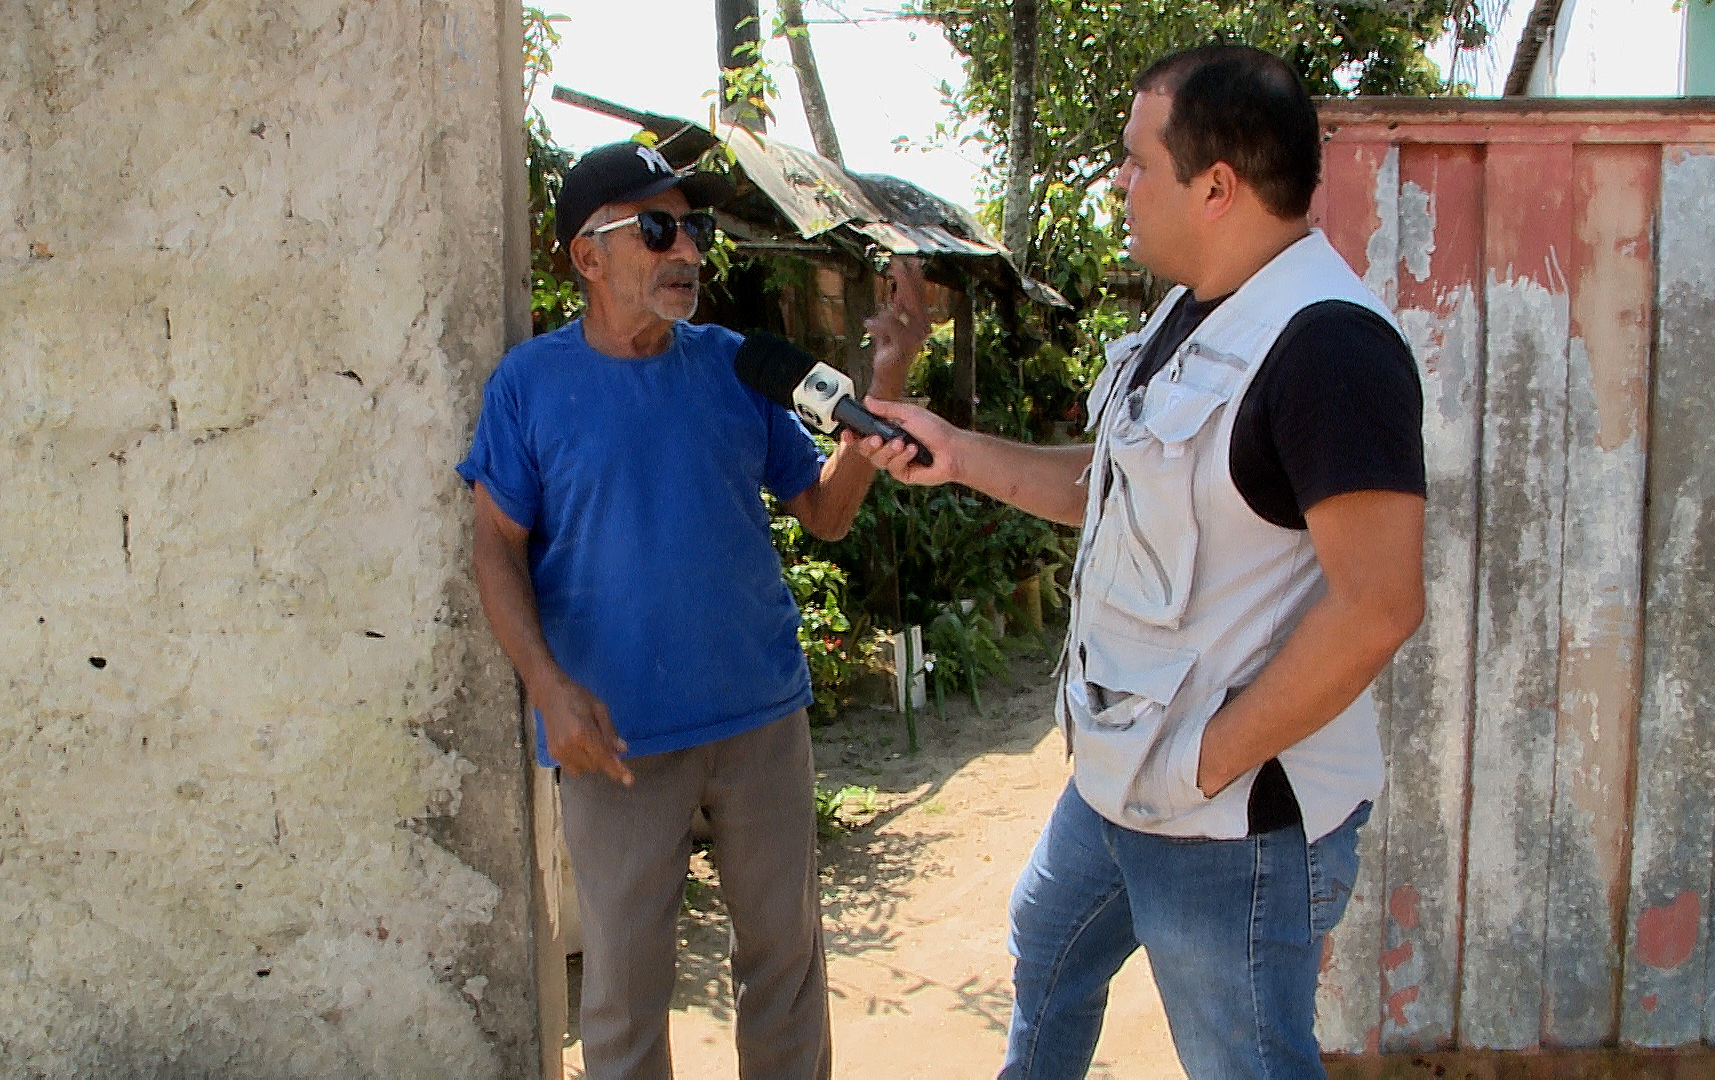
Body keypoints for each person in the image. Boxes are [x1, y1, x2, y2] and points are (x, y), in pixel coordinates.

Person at [854, 46, 1427, 1079]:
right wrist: (958, 453)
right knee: (1047, 948)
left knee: (1245, 1063)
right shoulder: (1193, 308)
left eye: (1136, 162)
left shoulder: (1330, 350)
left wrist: (1200, 763)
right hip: (1120, 776)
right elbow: (1114, 485)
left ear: (1217, 187)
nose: (1120, 183)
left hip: (1229, 815)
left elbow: (1378, 607)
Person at [457, 140, 928, 1080]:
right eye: (659, 229)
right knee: (625, 999)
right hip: (615, 740)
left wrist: (884, 386)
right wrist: (547, 688)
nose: (689, 251)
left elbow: (826, 513)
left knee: (785, 973)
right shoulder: (528, 386)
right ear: (588, 256)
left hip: (760, 721)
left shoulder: (735, 366)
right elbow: (494, 547)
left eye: (695, 228)